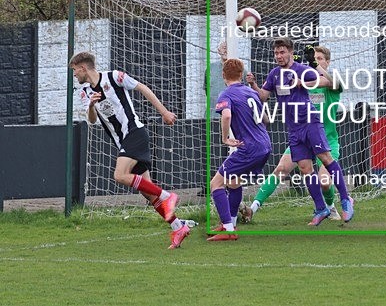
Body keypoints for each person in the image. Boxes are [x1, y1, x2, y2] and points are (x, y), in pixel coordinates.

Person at [70, 51, 190, 249]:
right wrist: (91, 105)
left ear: (83, 67)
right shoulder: (85, 92)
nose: (75, 75)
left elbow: (143, 88)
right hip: (122, 142)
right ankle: (178, 227)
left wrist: (164, 112)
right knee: (149, 195)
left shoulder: (114, 77)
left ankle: (168, 196)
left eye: (75, 71)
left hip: (134, 132)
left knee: (120, 175)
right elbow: (91, 120)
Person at [248, 38, 354, 225]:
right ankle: (321, 208)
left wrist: (306, 79)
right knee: (305, 168)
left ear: (290, 52)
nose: (279, 56)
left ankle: (345, 200)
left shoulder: (303, 70)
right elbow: (263, 96)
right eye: (276, 53)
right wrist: (254, 85)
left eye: (282, 52)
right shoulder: (274, 74)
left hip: (310, 123)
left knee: (325, 163)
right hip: (294, 129)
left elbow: (327, 82)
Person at [207, 58, 272, 241]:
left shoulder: (226, 94)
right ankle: (231, 222)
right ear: (242, 74)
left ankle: (228, 230)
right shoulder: (251, 93)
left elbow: (226, 115)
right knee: (233, 181)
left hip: (248, 148)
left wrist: (225, 138)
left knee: (216, 184)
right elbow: (266, 119)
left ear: (223, 75)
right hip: (265, 145)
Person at [200, 41, 229, 197]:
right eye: (223, 47)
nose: (225, 50)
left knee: (229, 152)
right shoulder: (211, 68)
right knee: (210, 152)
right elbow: (207, 90)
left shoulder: (240, 69)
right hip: (211, 115)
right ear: (218, 50)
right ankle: (208, 185)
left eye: (228, 47)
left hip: (232, 118)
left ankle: (227, 184)